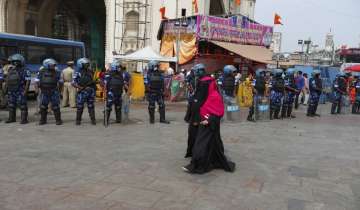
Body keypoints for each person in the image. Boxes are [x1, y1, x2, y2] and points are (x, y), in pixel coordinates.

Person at [182, 63, 235, 174]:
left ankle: (198, 164)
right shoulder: (211, 82)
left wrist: (200, 117)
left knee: (202, 140)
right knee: (212, 140)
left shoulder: (205, 83)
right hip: (209, 114)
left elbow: (201, 101)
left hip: (208, 115)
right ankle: (210, 159)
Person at [36, 58, 63, 125]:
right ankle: (42, 120)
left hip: (54, 91)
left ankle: (58, 120)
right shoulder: (41, 71)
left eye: (54, 65)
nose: (54, 66)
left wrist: (59, 91)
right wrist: (37, 89)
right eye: (52, 65)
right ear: (46, 65)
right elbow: (36, 81)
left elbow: (61, 82)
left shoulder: (57, 72)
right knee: (43, 106)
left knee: (56, 106)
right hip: (44, 91)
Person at [5, 54, 31, 124]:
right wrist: (6, 90)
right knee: (11, 105)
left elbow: (28, 81)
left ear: (21, 61)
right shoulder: (10, 70)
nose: (15, 63)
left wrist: (25, 91)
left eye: (17, 61)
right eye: (14, 61)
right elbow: (7, 80)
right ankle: (11, 118)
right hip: (11, 90)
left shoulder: (26, 70)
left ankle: (24, 119)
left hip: (21, 90)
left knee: (22, 105)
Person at [72, 58, 96, 125]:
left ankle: (93, 120)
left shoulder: (90, 71)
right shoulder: (77, 72)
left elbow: (92, 80)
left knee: (91, 106)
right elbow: (73, 83)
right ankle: (78, 121)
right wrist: (80, 88)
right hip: (82, 92)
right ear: (81, 64)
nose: (87, 65)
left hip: (90, 91)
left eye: (88, 64)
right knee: (80, 107)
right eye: (86, 64)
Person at [103, 59, 125, 125]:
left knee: (118, 107)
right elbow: (105, 84)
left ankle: (118, 119)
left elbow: (123, 83)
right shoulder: (108, 74)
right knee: (108, 107)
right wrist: (104, 93)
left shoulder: (121, 75)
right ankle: (106, 120)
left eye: (120, 67)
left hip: (119, 93)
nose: (120, 68)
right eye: (118, 67)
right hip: (111, 93)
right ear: (114, 67)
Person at [184, 67, 198, 158]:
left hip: (197, 112)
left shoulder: (201, 81)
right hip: (195, 107)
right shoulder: (193, 78)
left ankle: (193, 152)